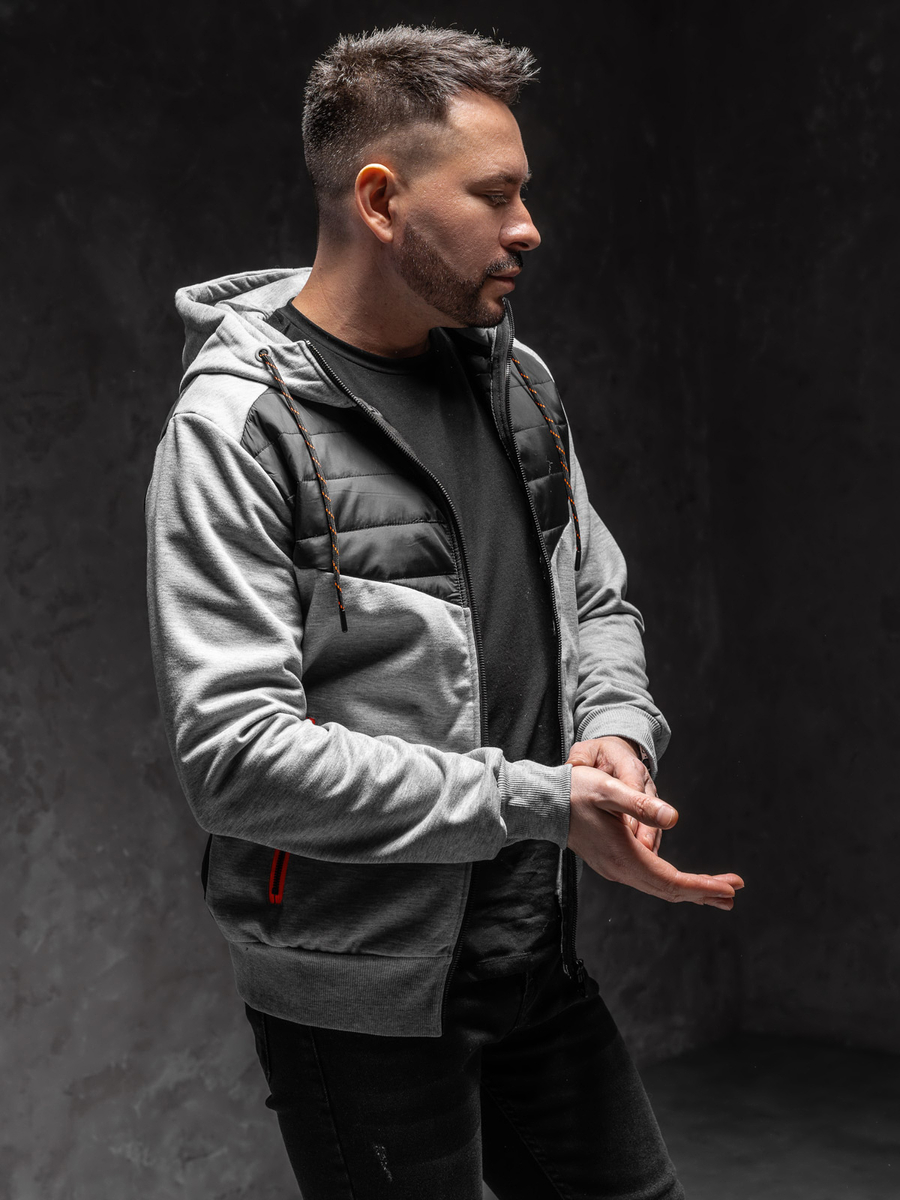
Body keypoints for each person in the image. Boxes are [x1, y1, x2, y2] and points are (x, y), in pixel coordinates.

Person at [146, 24, 743, 1200]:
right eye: (496, 194)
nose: (529, 227)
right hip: (357, 999)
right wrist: (538, 800)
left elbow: (595, 599)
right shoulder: (238, 428)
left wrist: (614, 734)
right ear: (381, 199)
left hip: (534, 950)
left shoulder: (517, 382)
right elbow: (236, 760)